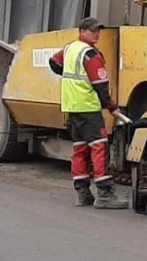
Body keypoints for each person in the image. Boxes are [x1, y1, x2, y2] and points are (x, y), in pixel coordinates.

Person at [48, 17, 128, 209]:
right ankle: (105, 194)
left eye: (98, 31)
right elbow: (100, 85)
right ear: (82, 31)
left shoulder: (69, 48)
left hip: (72, 107)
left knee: (79, 148)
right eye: (92, 31)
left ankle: (82, 194)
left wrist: (73, 82)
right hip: (88, 107)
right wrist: (112, 107)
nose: (96, 34)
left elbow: (53, 62)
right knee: (99, 147)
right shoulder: (89, 54)